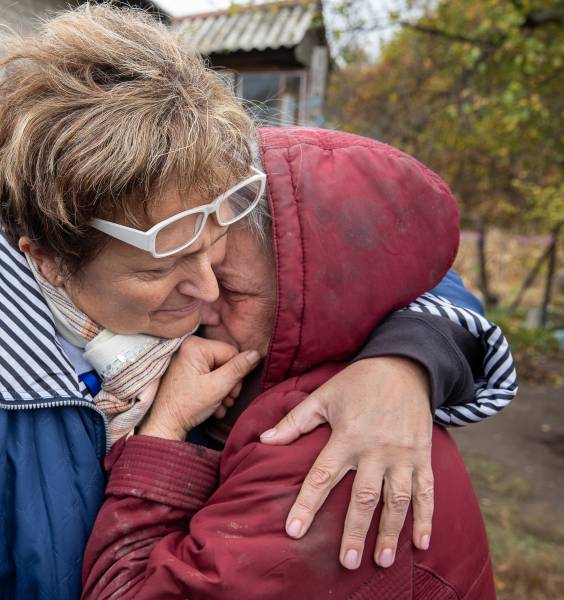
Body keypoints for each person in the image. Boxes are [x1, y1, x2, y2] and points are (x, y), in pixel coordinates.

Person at [0, 7, 512, 598]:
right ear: (47, 257)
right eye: (160, 268)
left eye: (218, 237)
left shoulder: (205, 172)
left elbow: (387, 252)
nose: (208, 286)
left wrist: (406, 360)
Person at [81, 127, 515, 599]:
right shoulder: (312, 384)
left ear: (313, 306)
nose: (200, 304)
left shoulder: (330, 458)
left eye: (230, 289)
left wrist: (164, 429)